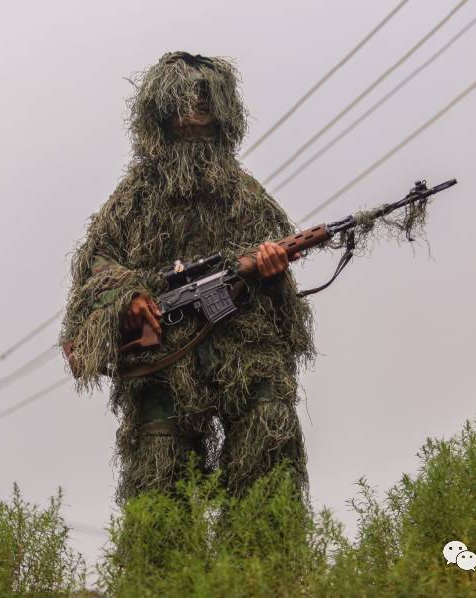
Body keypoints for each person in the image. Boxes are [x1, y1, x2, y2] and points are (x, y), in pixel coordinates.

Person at [61, 51, 314, 501]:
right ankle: (163, 550)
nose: (193, 122)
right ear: (160, 120)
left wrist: (272, 270)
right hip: (166, 358)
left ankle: (262, 544)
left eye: (204, 111)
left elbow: (278, 284)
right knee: (158, 476)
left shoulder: (245, 196)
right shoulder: (134, 198)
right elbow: (98, 263)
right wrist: (130, 295)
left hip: (242, 347)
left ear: (222, 117)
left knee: (269, 432)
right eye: (182, 113)